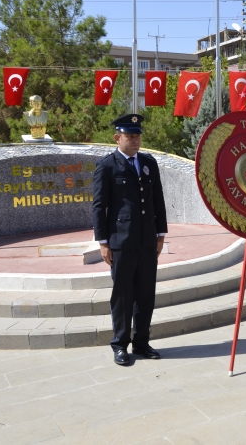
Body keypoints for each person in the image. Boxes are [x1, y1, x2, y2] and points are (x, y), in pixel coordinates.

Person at [93, 113, 168, 365]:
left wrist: (160, 235)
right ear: (118, 137)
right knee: (123, 295)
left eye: (137, 136)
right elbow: (99, 206)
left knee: (146, 293)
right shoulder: (107, 165)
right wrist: (103, 242)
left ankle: (142, 342)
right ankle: (120, 344)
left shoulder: (148, 162)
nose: (135, 141)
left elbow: (157, 200)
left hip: (147, 240)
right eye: (130, 136)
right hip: (121, 242)